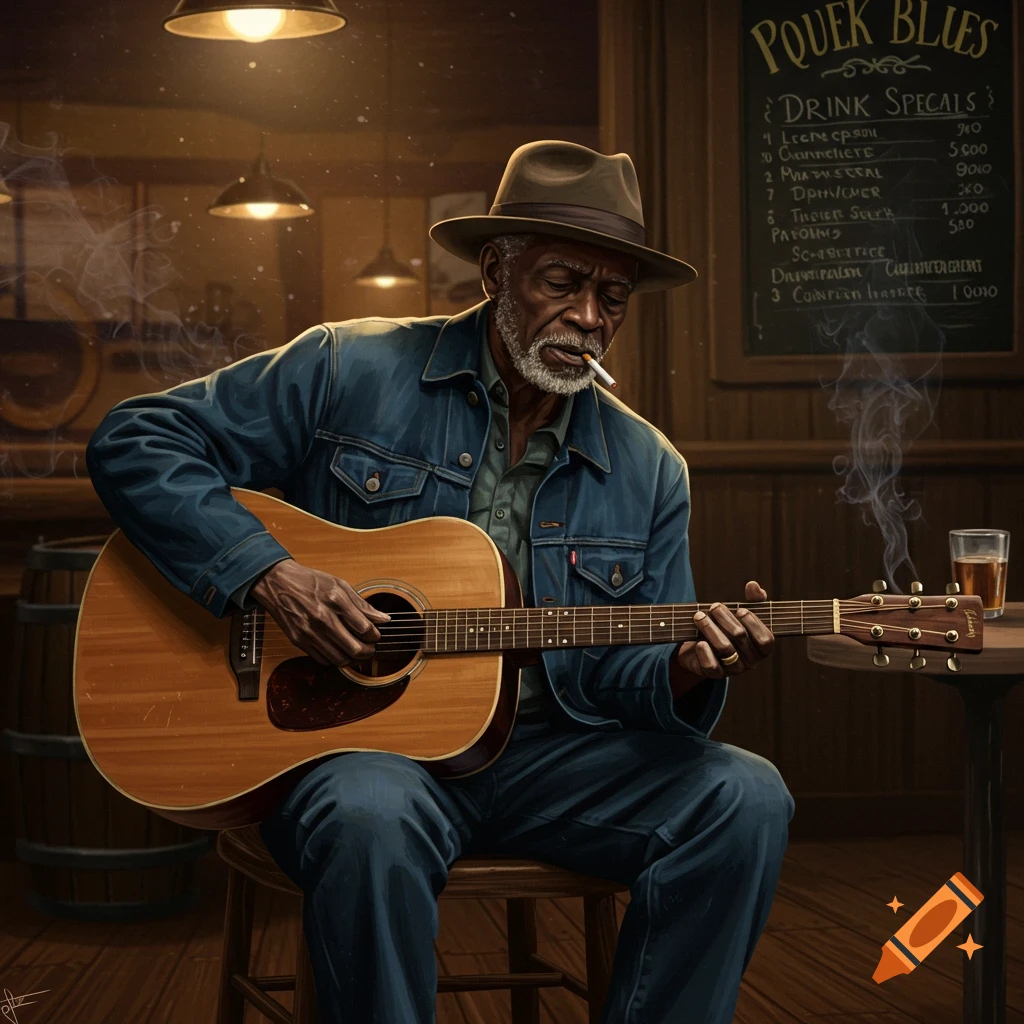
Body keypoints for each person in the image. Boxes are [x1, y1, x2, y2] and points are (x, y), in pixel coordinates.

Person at [87, 140, 794, 1024]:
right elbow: (134, 440)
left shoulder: (650, 468)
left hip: (551, 763)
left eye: (611, 299)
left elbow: (623, 681)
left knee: (745, 794)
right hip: (362, 757)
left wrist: (688, 669)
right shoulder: (349, 366)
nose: (586, 317)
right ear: (498, 270)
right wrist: (266, 575)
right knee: (370, 818)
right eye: (561, 284)